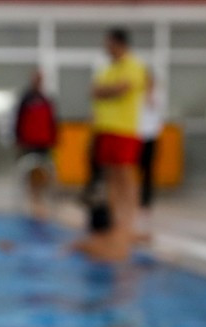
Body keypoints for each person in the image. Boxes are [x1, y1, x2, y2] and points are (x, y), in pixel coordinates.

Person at [73, 28, 146, 262]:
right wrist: (106, 92)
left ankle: (129, 224)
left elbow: (120, 89)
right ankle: (116, 223)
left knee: (125, 176)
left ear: (118, 43)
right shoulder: (107, 69)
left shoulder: (134, 66)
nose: (106, 49)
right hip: (104, 129)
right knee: (111, 177)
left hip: (124, 129)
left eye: (109, 44)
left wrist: (105, 91)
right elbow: (96, 92)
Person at [13, 71, 59, 219]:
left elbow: (52, 121)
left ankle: (39, 197)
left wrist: (53, 138)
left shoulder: (46, 99)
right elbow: (19, 119)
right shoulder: (26, 99)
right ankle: (31, 197)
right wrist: (18, 138)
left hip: (43, 141)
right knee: (29, 171)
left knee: (42, 171)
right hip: (28, 140)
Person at [137, 68, 165, 216]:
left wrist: (150, 95)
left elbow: (156, 110)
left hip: (151, 137)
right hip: (137, 136)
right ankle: (135, 198)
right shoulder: (137, 96)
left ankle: (146, 201)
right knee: (134, 169)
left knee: (148, 171)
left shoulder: (157, 96)